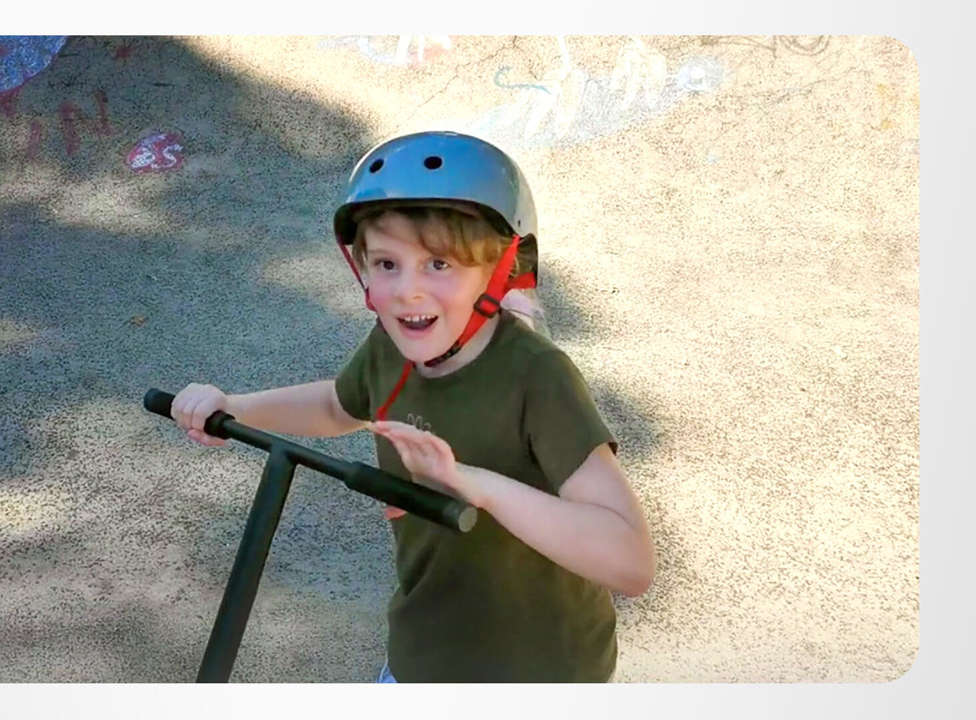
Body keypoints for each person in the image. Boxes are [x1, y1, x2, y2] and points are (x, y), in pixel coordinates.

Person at [170, 131, 654, 682]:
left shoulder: (537, 377)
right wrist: (233, 407)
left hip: (542, 669)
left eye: (439, 264)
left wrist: (474, 484)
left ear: (500, 269)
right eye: (386, 264)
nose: (407, 291)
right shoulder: (390, 349)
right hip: (425, 648)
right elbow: (337, 405)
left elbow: (630, 562)